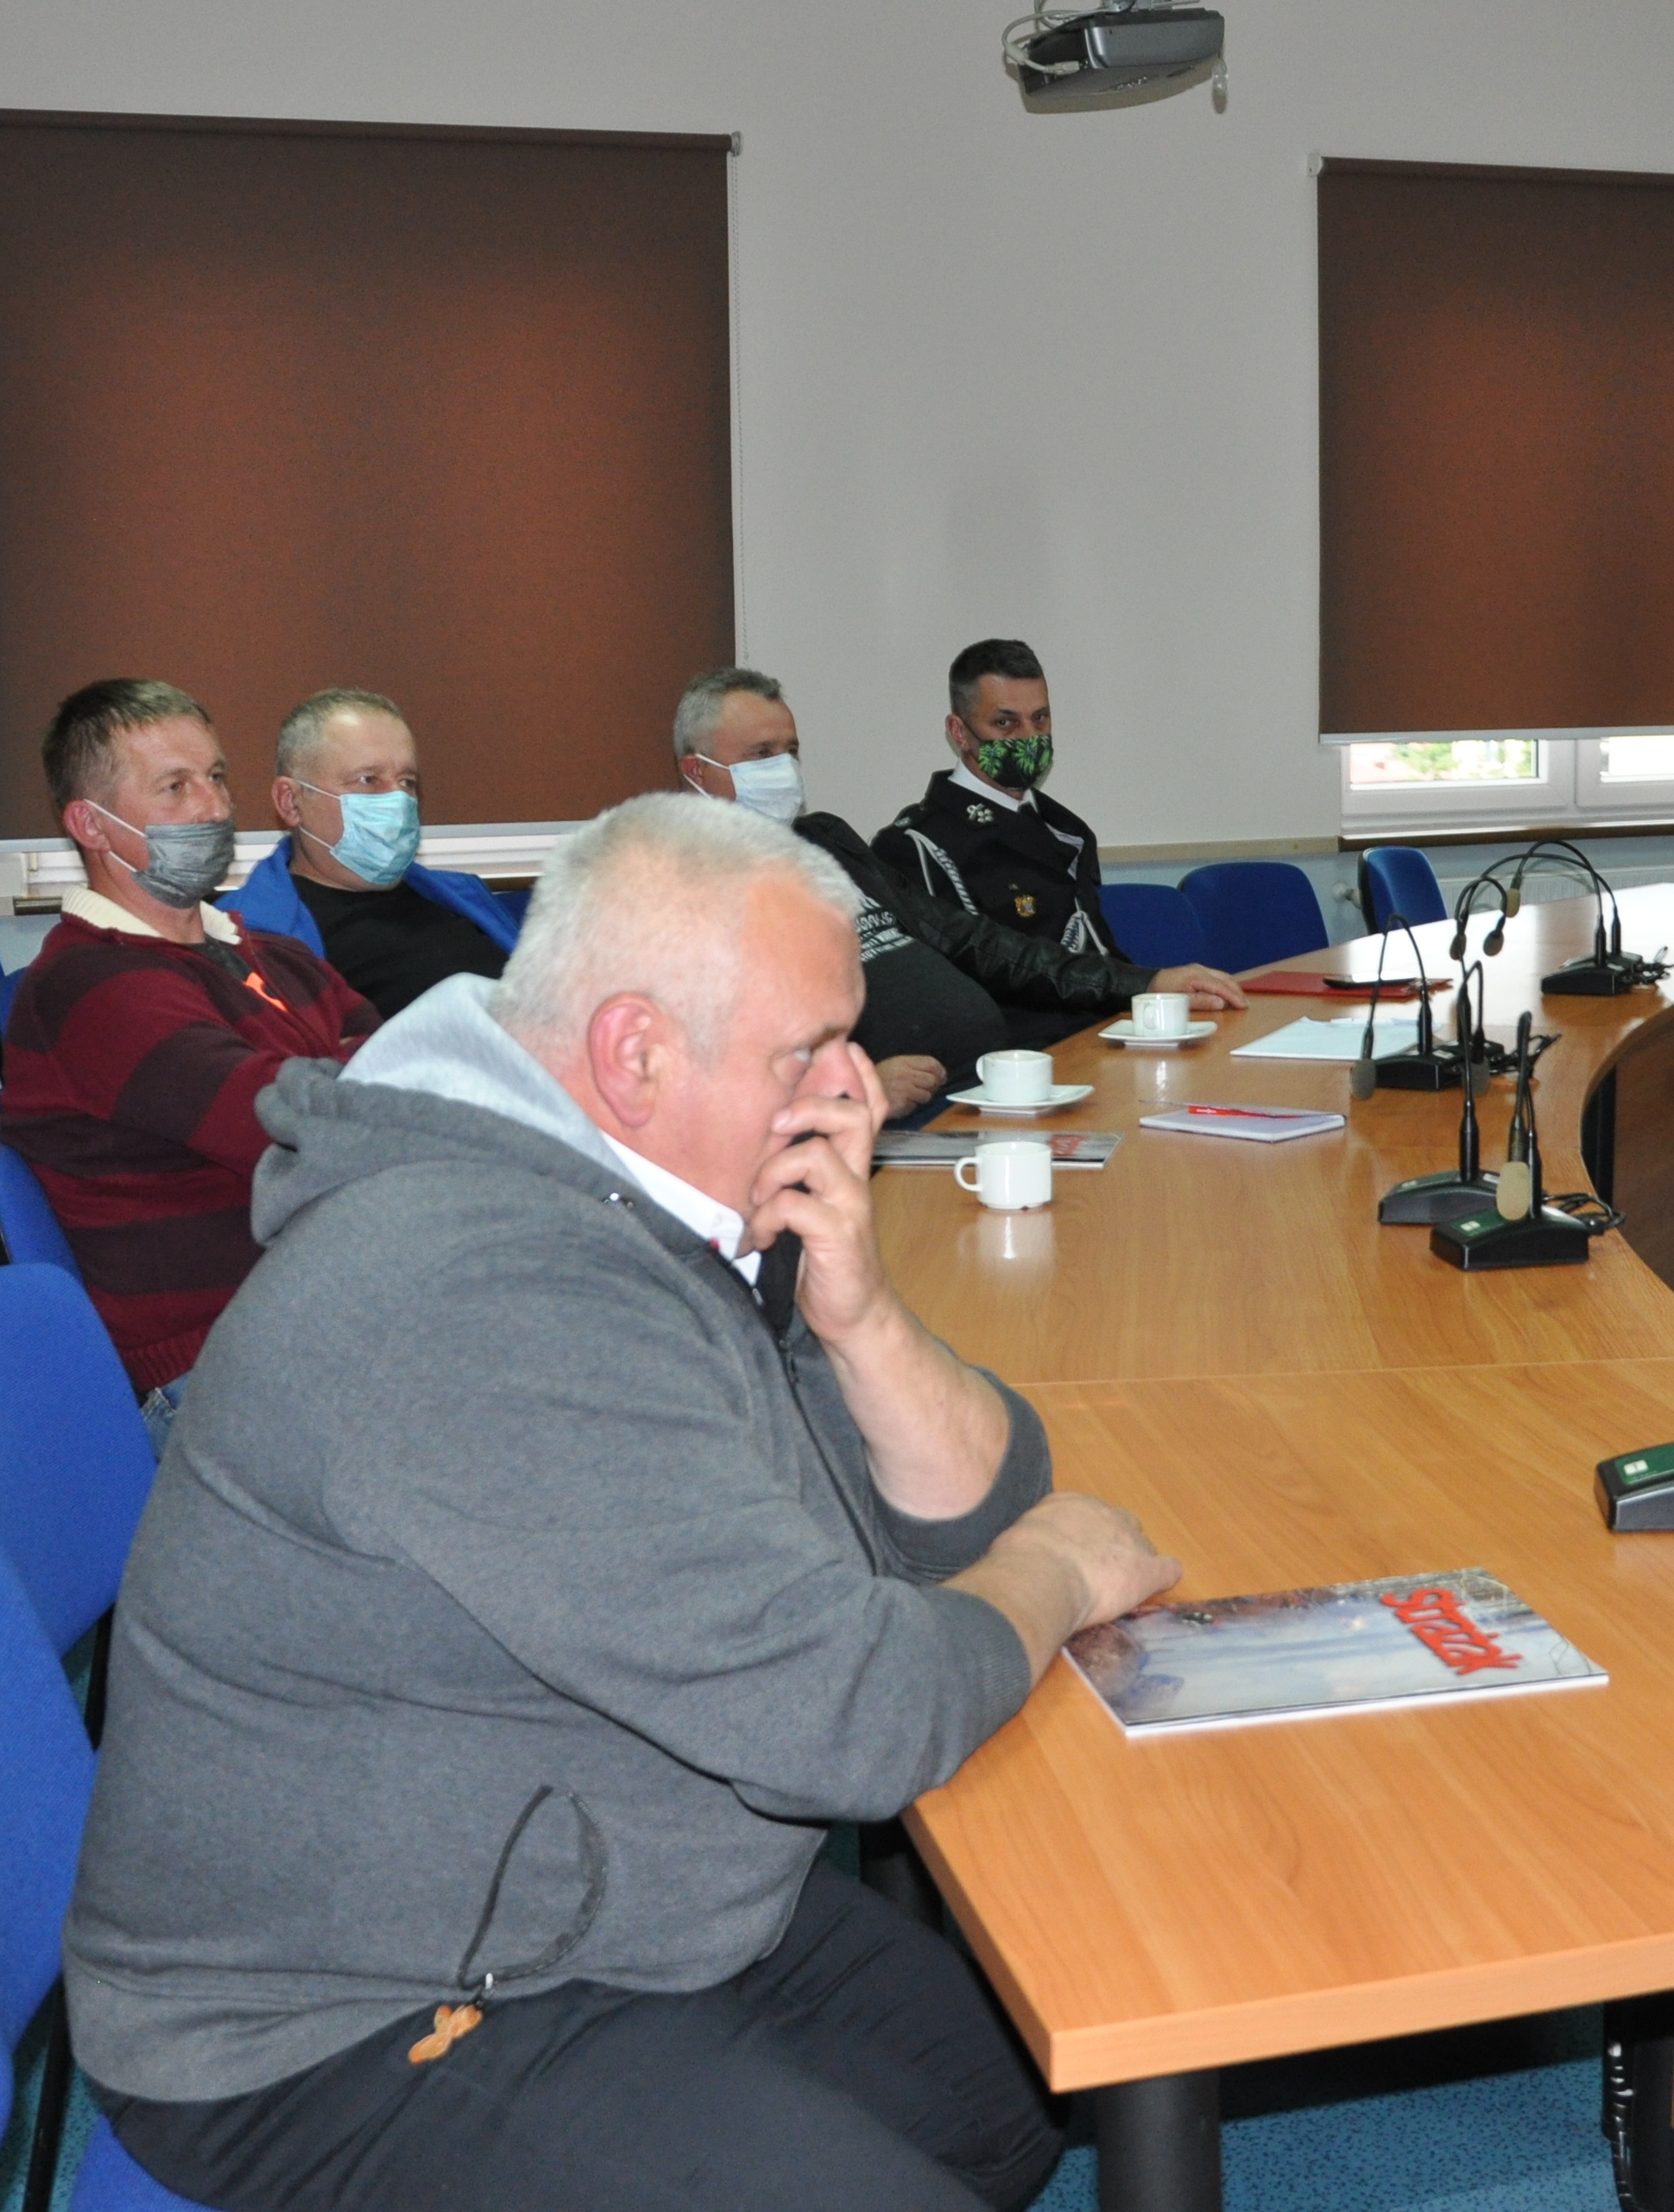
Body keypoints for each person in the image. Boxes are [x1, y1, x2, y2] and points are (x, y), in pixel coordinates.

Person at [66, 793, 1181, 2212]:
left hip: (602, 1888)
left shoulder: (631, 1198)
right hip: (340, 2015)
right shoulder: (479, 1296)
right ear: (635, 1052)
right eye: (807, 1049)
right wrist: (1063, 1572)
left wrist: (860, 1319)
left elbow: (961, 1516)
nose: (850, 1088)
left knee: (1008, 2098)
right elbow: (856, 1714)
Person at [0, 678, 373, 1429]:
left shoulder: (275, 954)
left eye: (216, 777)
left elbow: (399, 1075)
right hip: (221, 1359)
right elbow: (300, 1127)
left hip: (331, 1301)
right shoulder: (90, 985)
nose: (214, 807)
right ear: (91, 824)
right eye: (175, 787)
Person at [672, 667, 1240, 1099]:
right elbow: (712, 1057)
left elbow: (972, 940)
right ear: (697, 770)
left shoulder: (825, 840)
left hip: (989, 1085)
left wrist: (1147, 981)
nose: (784, 768)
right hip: (888, 1120)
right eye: (761, 754)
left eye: (791, 750)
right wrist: (852, 1086)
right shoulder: (687, 889)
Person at [218, 686, 523, 1018]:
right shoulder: (250, 935)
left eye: (407, 782)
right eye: (368, 780)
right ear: (290, 802)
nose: (398, 801)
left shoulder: (460, 896)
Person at [875, 641, 1123, 995]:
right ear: (960, 732)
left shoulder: (1067, 830)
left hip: (1099, 1016)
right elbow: (956, 986)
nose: (1029, 737)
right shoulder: (916, 847)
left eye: (1040, 718)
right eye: (1005, 722)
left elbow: (1099, 953)